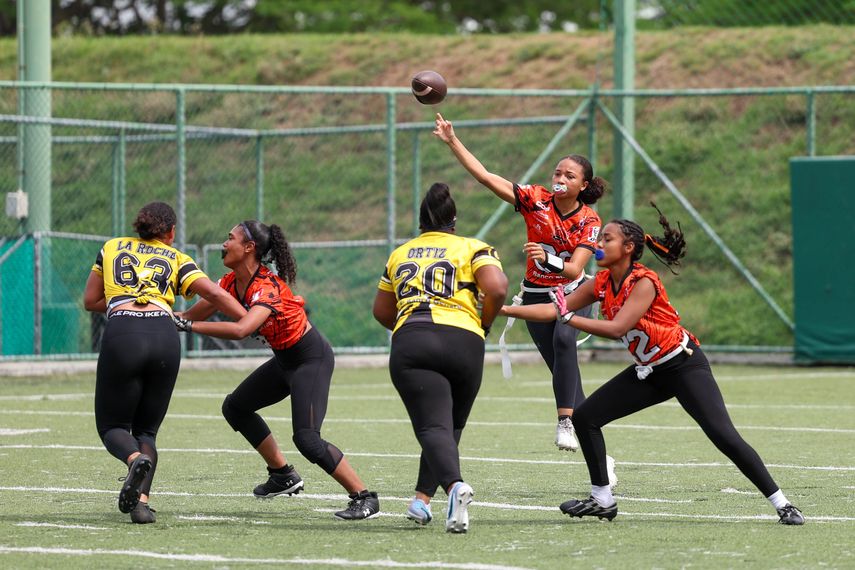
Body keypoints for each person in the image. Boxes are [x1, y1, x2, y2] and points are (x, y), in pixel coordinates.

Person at [499, 210, 806, 525]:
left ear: (628, 247)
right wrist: (505, 308)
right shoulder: (602, 281)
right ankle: (602, 499)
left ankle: (782, 504)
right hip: (649, 371)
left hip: (683, 365)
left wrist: (569, 318)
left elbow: (618, 327)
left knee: (722, 434)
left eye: (607, 239)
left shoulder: (644, 281)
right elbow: (553, 309)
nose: (599, 245)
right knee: (587, 417)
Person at [172, 219, 380, 520]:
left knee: (308, 440)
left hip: (311, 358)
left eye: (229, 238)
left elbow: (242, 329)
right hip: (285, 360)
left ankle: (365, 497)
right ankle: (283, 475)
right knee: (236, 407)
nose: (224, 244)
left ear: (249, 247)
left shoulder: (266, 287)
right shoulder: (230, 282)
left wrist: (188, 326)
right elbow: (188, 315)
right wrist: (161, 316)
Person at [433, 113, 606, 455]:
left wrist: (548, 257)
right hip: (535, 294)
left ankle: (564, 421)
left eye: (569, 175)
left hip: (573, 292)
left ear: (583, 185)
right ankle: (600, 457)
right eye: (558, 172)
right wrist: (453, 140)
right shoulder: (535, 199)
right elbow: (485, 177)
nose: (560, 178)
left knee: (563, 339)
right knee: (564, 374)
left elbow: (574, 270)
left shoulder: (590, 220)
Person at [83, 201, 248, 524]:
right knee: (147, 430)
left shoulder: (112, 247)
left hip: (123, 333)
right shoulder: (176, 257)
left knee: (112, 426)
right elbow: (214, 295)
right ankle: (141, 504)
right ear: (171, 232)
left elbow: (90, 301)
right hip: (164, 332)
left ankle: (133, 459)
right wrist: (245, 317)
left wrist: (124, 303)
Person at [373, 183, 508, 533]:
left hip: (414, 339)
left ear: (420, 222)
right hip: (465, 340)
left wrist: (407, 326)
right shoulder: (474, 247)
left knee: (433, 426)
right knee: (448, 428)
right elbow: (496, 288)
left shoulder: (400, 253)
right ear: (454, 220)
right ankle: (421, 501)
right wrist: (485, 321)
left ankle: (454, 487)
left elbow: (381, 311)